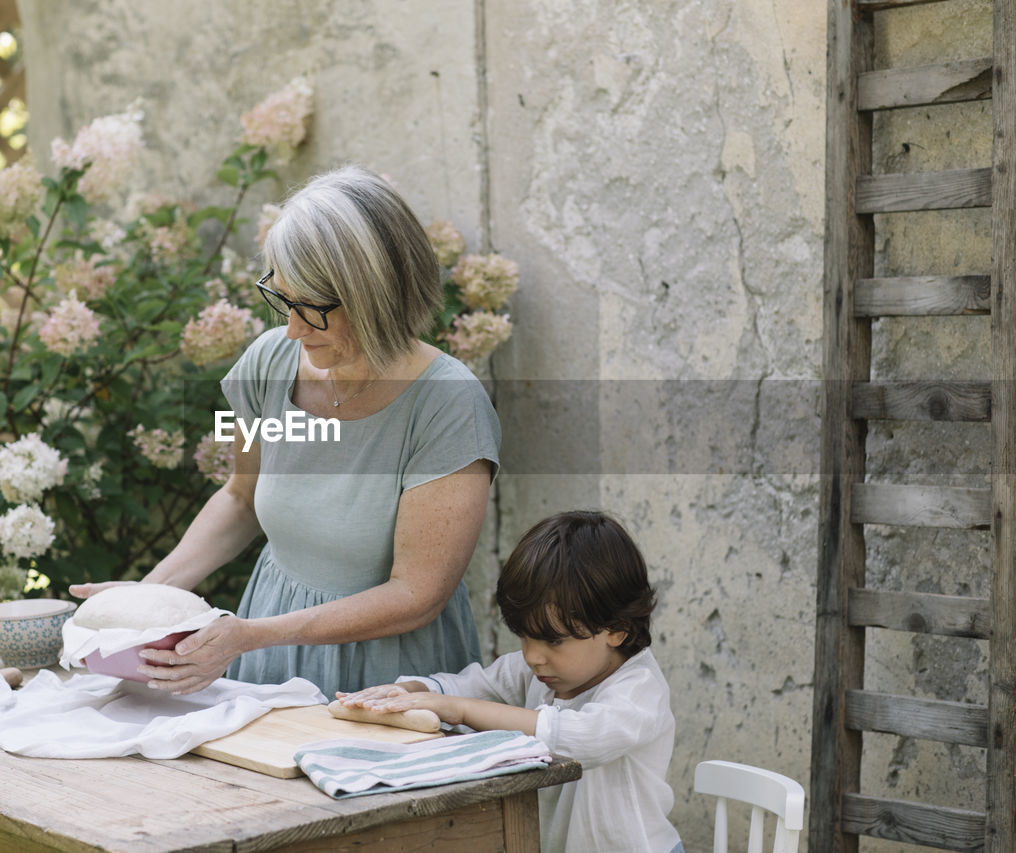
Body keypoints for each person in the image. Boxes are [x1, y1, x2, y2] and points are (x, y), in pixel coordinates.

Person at [72, 165, 500, 698]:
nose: (293, 330)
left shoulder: (449, 405)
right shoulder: (268, 363)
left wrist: (253, 636)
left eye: (312, 310)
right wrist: (144, 601)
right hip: (265, 652)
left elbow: (418, 595)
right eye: (283, 300)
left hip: (388, 678)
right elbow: (239, 497)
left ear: (376, 297)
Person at [337, 510, 683, 853]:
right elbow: (471, 685)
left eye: (553, 640)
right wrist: (413, 692)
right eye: (524, 637)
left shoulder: (638, 690)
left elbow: (581, 739)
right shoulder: (540, 671)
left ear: (617, 630)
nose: (533, 656)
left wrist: (460, 710)